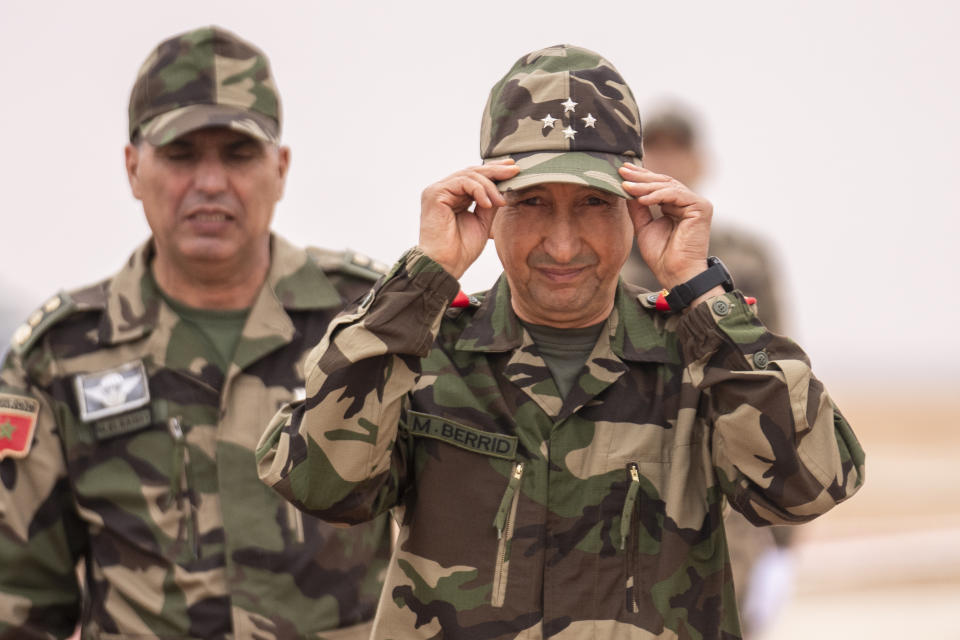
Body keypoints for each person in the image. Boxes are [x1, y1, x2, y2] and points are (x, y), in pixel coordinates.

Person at [257, 45, 865, 639]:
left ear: (637, 207)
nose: (564, 244)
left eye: (596, 203)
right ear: (488, 208)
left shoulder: (698, 357)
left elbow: (810, 486)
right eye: (533, 203)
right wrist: (421, 280)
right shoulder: (422, 354)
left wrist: (699, 288)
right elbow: (319, 483)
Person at [0, 26, 391, 639]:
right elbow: (16, 597)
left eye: (238, 154)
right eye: (181, 155)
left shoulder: (369, 327)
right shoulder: (61, 359)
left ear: (281, 169)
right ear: (133, 168)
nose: (210, 183)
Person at [621, 106, 795, 636]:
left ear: (701, 160)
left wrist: (783, 536)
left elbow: (778, 375)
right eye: (656, 147)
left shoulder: (746, 256)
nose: (668, 160)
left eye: (679, 147)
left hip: (724, 491)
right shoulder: (601, 255)